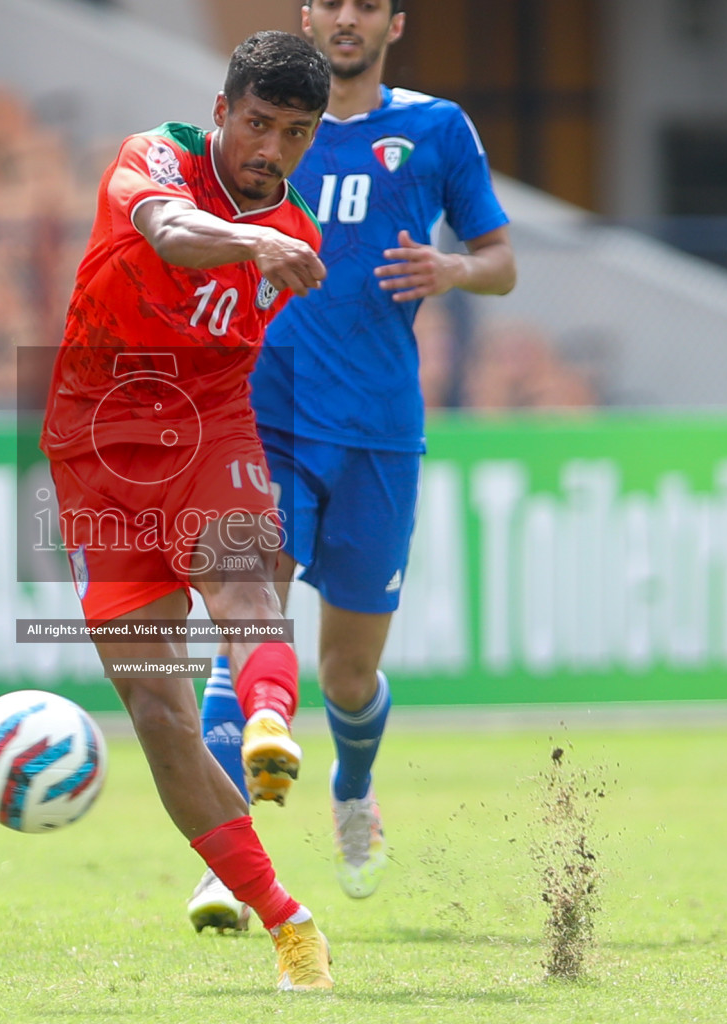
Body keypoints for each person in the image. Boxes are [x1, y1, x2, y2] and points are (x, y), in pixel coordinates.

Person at [187, 0, 517, 932]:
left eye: (365, 5)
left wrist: (453, 271)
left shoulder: (435, 129)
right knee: (248, 628)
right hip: (268, 421)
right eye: (330, 2)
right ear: (306, 15)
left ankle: (354, 788)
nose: (345, 18)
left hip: (378, 429)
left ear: (393, 23)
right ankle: (227, 866)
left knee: (344, 677)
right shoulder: (261, 131)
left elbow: (501, 261)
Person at [38, 31, 336, 991]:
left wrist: (267, 237)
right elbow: (168, 233)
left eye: (295, 134)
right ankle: (286, 918)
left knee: (248, 581)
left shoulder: (299, 234)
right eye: (257, 124)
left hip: (207, 426)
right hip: (98, 449)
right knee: (160, 711)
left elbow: (220, 345)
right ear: (222, 111)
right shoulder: (151, 157)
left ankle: (269, 719)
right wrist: (255, 238)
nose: (271, 150)